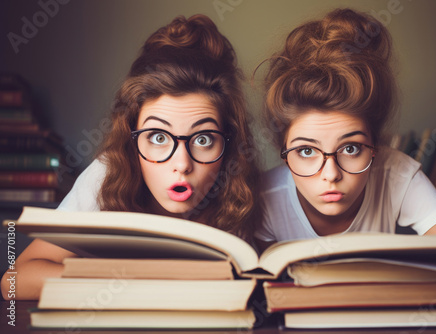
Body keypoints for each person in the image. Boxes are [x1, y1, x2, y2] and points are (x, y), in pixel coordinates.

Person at [1, 14, 260, 300]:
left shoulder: (241, 186)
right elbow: (13, 281)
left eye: (203, 140)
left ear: (229, 143)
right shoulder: (108, 173)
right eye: (159, 138)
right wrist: (128, 281)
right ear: (132, 138)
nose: (182, 165)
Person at [255, 8, 436, 301]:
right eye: (306, 151)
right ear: (284, 154)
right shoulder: (265, 197)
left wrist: (413, 276)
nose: (331, 174)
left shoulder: (395, 173)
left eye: (351, 148)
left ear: (375, 146)